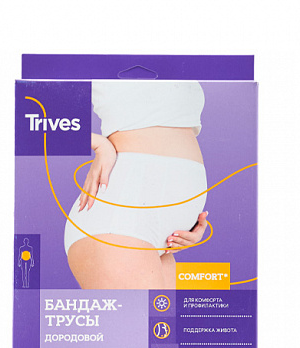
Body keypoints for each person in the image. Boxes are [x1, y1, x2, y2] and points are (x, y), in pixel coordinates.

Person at [64, 80, 209, 289]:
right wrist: (99, 144)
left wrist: (186, 219)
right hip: (118, 220)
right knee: (138, 312)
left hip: (162, 240)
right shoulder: (91, 61)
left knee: (154, 313)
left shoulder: (179, 65)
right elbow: (30, 113)